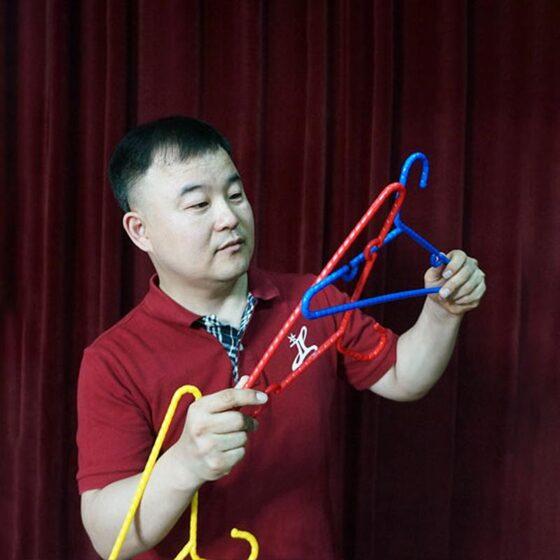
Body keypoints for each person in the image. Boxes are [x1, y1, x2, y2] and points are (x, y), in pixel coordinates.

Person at [76, 116, 486, 560]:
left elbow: (403, 376)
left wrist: (443, 312)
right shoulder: (114, 360)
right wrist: (184, 464)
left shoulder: (312, 301)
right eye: (198, 205)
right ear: (140, 231)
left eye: (235, 195)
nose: (228, 218)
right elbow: (108, 536)